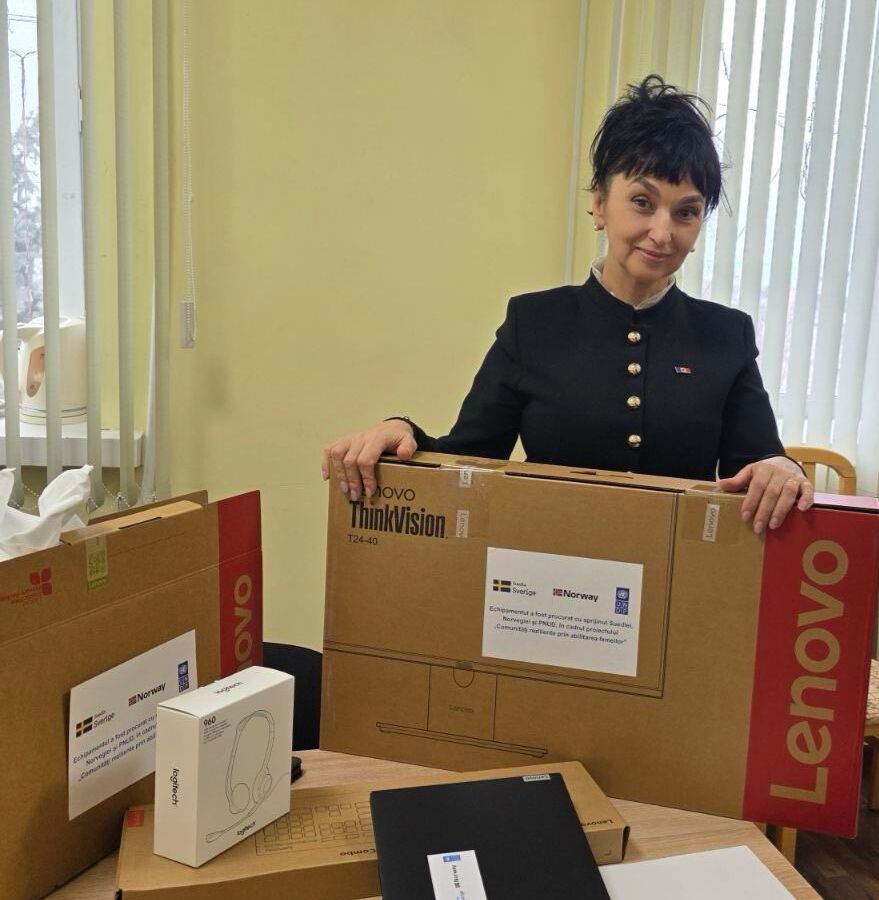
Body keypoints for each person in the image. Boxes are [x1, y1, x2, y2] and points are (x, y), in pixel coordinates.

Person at [321, 75, 813, 535]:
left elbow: (759, 465)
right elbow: (468, 457)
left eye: (686, 212)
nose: (663, 233)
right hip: (545, 577)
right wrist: (400, 428)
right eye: (642, 202)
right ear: (599, 203)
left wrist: (781, 468)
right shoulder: (533, 323)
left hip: (677, 579)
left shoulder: (726, 336)